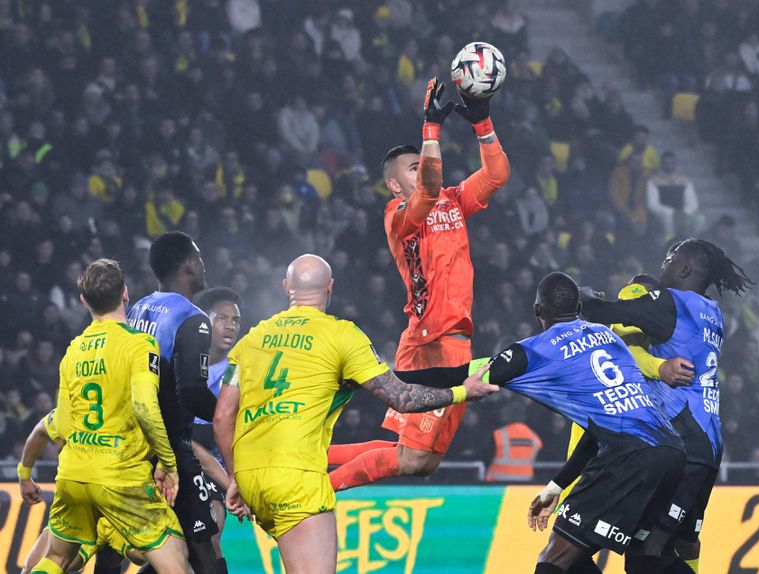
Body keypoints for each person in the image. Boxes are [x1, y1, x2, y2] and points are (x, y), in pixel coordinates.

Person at [212, 254, 497, 573]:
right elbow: (401, 396)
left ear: (286, 287)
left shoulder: (250, 340)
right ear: (330, 288)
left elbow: (223, 416)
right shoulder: (342, 336)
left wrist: (235, 477)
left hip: (250, 477)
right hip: (296, 478)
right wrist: (463, 392)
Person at [396, 272, 687, 573]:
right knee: (648, 558)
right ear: (577, 309)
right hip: (671, 452)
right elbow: (605, 430)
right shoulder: (609, 338)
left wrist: (383, 378)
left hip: (627, 458)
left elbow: (456, 376)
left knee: (553, 561)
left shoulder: (533, 350)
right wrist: (556, 485)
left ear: (538, 310)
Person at [326, 76, 510, 490]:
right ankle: (318, 487)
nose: (424, 169)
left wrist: (483, 123)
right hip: (429, 346)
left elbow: (496, 174)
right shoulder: (399, 215)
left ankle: (308, 455)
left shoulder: (455, 200)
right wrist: (430, 130)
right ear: (394, 185)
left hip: (454, 342)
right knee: (411, 459)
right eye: (413, 167)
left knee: (419, 462)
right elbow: (426, 190)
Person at [580, 238, 754, 573]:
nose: (665, 263)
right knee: (659, 550)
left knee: (645, 552)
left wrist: (583, 296)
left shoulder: (670, 303)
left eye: (672, 258)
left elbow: (604, 312)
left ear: (686, 268)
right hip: (706, 444)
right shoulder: (712, 313)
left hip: (685, 447)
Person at [28, 258, 190, 574]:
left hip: (74, 474)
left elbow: (61, 425)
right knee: (177, 560)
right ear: (125, 294)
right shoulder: (139, 344)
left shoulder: (73, 350)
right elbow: (145, 406)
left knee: (58, 559)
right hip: (120, 476)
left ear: (83, 301)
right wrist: (168, 464)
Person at [126, 232, 221, 574]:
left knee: (161, 551)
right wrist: (226, 416)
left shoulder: (137, 308)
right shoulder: (191, 317)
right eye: (199, 256)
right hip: (170, 451)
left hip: (132, 446)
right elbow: (192, 393)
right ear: (187, 265)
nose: (203, 263)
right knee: (204, 549)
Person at [559, 274, 695, 505]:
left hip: (610, 415)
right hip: (614, 412)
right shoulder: (638, 293)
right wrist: (659, 367)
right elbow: (626, 349)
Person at [19, 410, 148, 573]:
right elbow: (41, 430)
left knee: (149, 556)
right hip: (92, 506)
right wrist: (24, 475)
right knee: (166, 556)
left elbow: (41, 430)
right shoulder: (77, 409)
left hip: (114, 507)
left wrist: (24, 476)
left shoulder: (132, 411)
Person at [191, 287, 245, 570]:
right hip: (177, 464)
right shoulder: (184, 365)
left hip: (216, 473)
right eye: (222, 318)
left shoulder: (239, 370)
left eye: (235, 320)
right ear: (205, 321)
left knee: (210, 538)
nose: (231, 326)